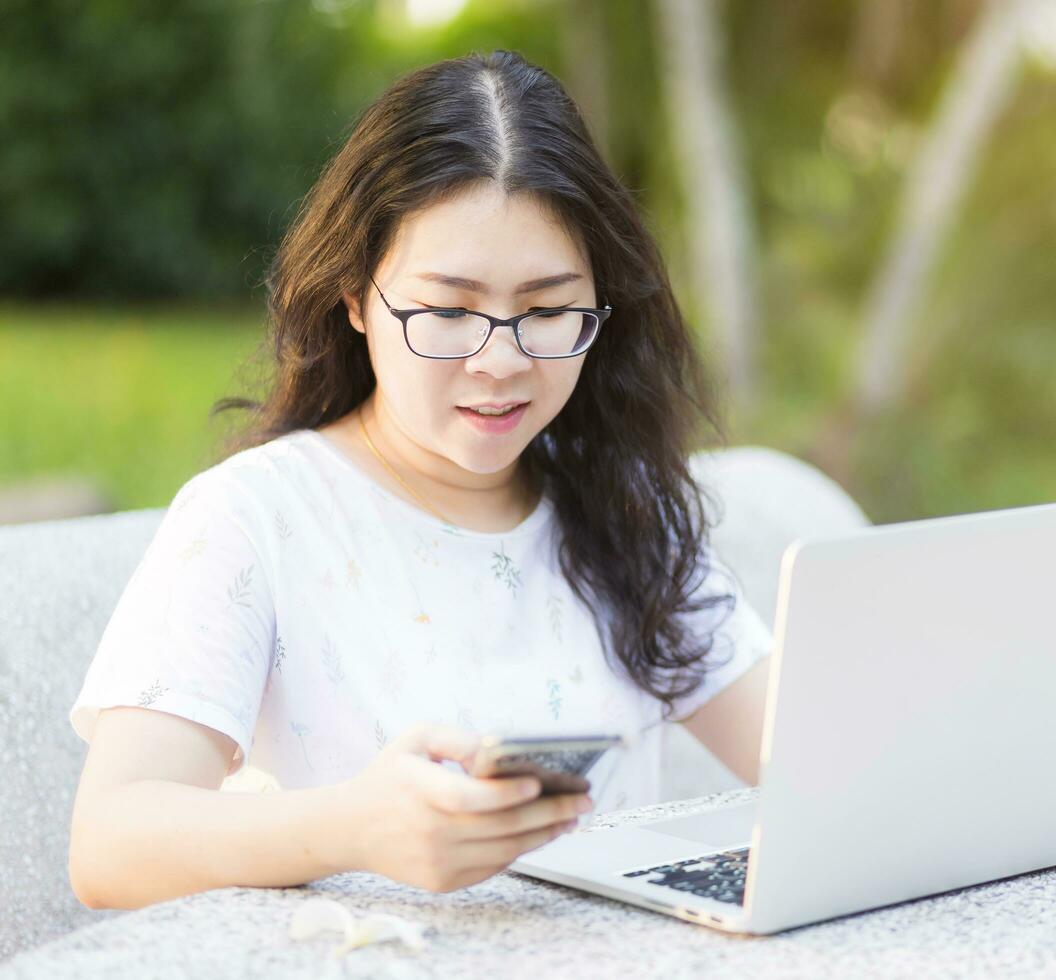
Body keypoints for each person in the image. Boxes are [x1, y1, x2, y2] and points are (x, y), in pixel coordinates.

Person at [66, 50, 773, 911]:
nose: (500, 360)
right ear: (355, 299)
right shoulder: (255, 518)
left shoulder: (623, 505)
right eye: (447, 310)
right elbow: (108, 845)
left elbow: (816, 760)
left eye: (548, 310)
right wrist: (355, 826)